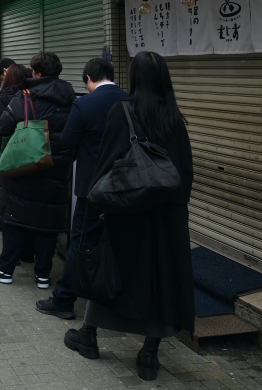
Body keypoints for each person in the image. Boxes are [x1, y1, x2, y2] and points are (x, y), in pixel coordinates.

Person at [63, 52, 194, 382]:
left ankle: (89, 335)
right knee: (161, 279)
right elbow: (185, 174)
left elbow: (106, 164)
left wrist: (99, 205)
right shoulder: (175, 119)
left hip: (127, 214)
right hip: (166, 219)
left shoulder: (123, 112)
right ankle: (149, 354)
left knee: (114, 269)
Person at [36, 57, 129, 320]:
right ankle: (111, 296)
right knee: (114, 241)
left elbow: (67, 140)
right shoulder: (129, 100)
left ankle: (64, 298)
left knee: (81, 242)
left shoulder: (85, 103)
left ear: (88, 78)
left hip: (92, 187)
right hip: (125, 186)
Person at [0, 52, 75, 288]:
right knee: (48, 221)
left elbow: (2, 127)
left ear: (37, 73)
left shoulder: (25, 97)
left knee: (16, 217)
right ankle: (43, 275)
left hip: (26, 164)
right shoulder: (71, 98)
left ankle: (4, 270)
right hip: (57, 166)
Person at [0, 62, 29, 230]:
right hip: (29, 149)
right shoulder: (31, 96)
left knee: (2, 186)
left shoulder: (0, 95)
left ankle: (2, 218)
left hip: (4, 148)